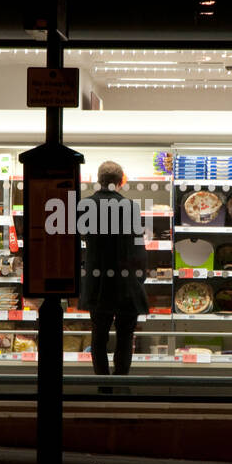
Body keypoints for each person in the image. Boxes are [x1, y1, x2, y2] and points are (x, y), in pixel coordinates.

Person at [78, 161, 149, 376]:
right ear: (120, 182)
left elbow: (82, 240)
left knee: (99, 336)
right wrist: (140, 277)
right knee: (125, 336)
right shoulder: (130, 207)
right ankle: (120, 382)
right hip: (125, 282)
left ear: (99, 180)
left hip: (97, 281)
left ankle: (102, 385)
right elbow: (138, 247)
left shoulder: (85, 206)